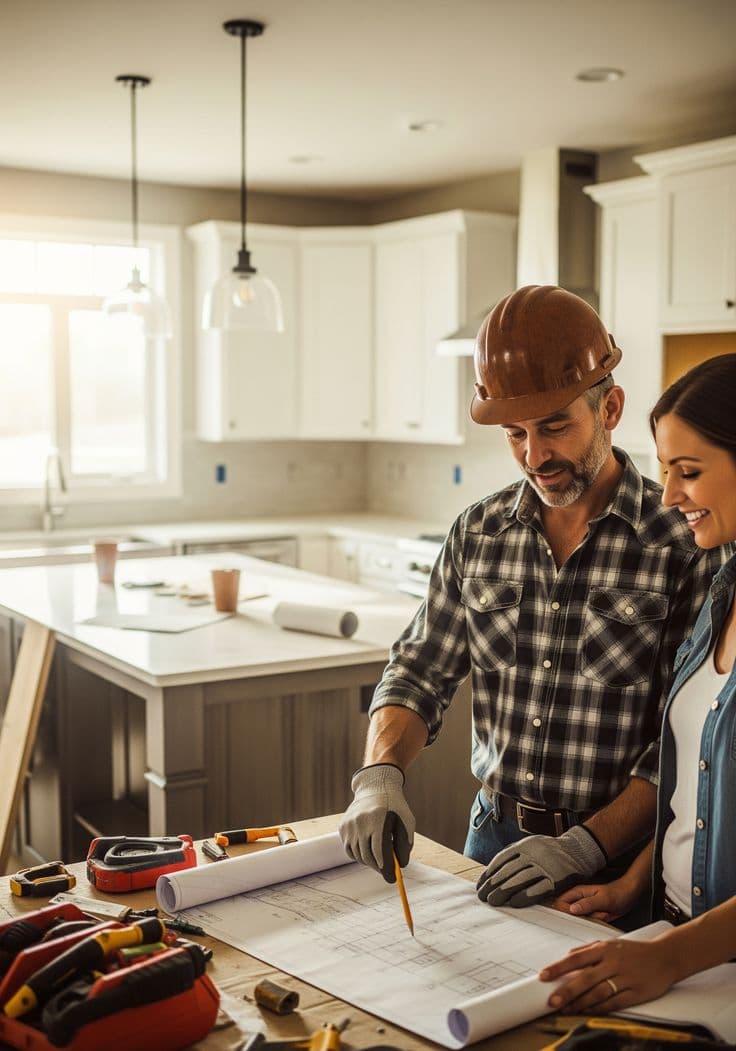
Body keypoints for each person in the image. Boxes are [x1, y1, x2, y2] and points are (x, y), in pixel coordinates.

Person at [338, 285, 725, 919]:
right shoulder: (478, 532)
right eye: (515, 433)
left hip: (615, 862)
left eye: (554, 427)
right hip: (492, 838)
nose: (534, 455)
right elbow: (418, 671)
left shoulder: (684, 543)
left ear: (610, 408)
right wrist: (379, 776)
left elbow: (683, 738)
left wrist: (584, 845)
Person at [539, 353, 736, 1012]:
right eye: (664, 469)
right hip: (673, 936)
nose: (669, 495)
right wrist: (630, 885)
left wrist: (667, 957)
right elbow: (699, 793)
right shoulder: (722, 590)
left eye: (689, 471)